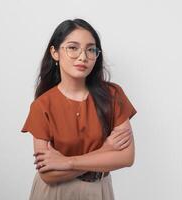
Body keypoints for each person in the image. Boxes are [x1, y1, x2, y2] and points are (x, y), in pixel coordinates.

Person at [21, 18, 137, 200]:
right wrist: (104, 150)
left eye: (90, 49)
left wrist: (67, 162)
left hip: (98, 191)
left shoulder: (113, 95)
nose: (83, 57)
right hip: (54, 193)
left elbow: (126, 157)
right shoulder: (42, 105)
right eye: (73, 48)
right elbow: (48, 175)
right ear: (55, 52)